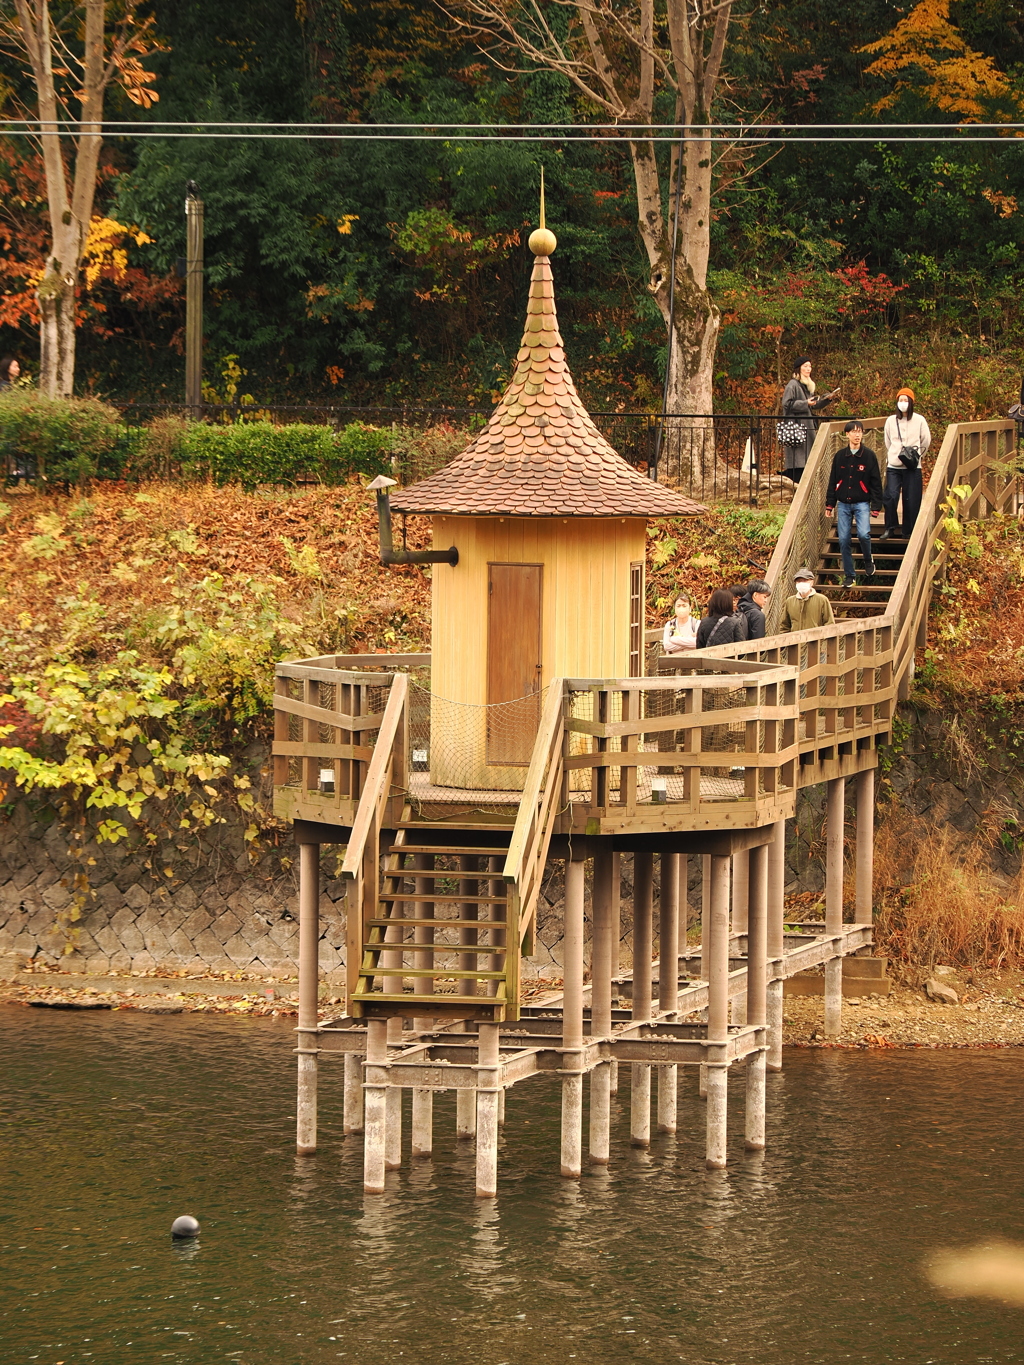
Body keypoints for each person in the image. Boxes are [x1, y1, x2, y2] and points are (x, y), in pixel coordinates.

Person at [825, 419, 883, 587]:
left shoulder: (869, 456)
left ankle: (867, 560)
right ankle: (849, 575)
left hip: (862, 503)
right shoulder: (840, 456)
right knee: (843, 539)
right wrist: (830, 504)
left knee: (864, 534)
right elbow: (833, 481)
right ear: (847, 434)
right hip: (843, 503)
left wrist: (876, 506)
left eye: (860, 431)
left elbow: (876, 482)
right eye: (854, 432)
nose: (857, 435)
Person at [780, 357, 840, 483]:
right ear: (798, 368)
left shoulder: (806, 385)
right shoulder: (792, 385)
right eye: (805, 366)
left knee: (807, 461)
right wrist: (805, 403)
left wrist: (826, 399)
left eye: (810, 366)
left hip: (807, 428)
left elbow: (814, 404)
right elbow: (786, 404)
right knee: (797, 462)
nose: (808, 369)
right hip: (796, 429)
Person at [881, 387, 930, 541]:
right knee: (891, 496)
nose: (903, 403)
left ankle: (908, 531)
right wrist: (895, 454)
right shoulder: (890, 420)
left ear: (911, 402)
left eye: (906, 400)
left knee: (911, 499)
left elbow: (926, 440)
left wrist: (916, 456)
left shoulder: (920, 420)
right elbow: (887, 441)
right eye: (900, 400)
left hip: (912, 466)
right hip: (894, 465)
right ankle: (890, 527)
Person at [781, 567, 834, 632]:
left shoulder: (822, 600)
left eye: (805, 580)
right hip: (795, 640)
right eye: (799, 581)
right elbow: (784, 625)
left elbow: (829, 623)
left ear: (812, 582)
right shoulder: (790, 601)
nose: (801, 583)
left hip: (816, 640)